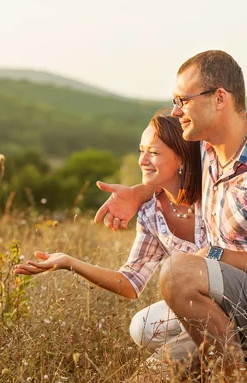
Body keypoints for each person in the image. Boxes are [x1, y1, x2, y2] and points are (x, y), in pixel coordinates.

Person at [95, 50, 247, 374]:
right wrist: (138, 194)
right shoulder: (207, 151)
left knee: (179, 272)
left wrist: (216, 255)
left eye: (183, 100)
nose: (176, 111)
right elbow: (169, 163)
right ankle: (231, 354)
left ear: (219, 97)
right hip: (235, 301)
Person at [14, 109, 204, 362]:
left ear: (182, 158)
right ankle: (203, 358)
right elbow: (130, 282)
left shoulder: (213, 195)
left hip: (237, 296)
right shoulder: (150, 212)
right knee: (143, 326)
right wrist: (69, 263)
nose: (143, 160)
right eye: (141, 150)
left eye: (154, 152)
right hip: (194, 302)